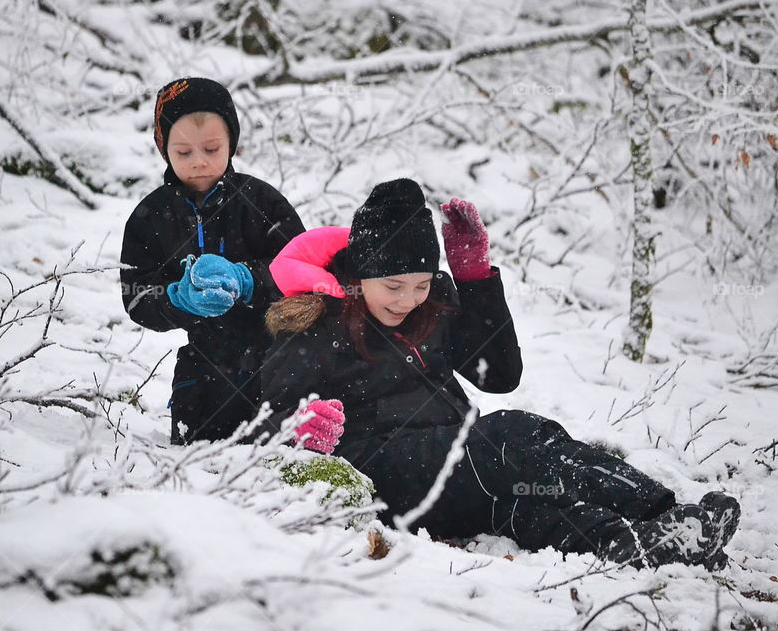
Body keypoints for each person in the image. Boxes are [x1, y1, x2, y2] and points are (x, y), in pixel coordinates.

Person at [260, 178, 740, 569]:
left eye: (422, 284)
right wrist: (298, 426)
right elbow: (262, 421)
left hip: (450, 466)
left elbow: (498, 375)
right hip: (382, 471)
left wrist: (475, 281)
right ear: (359, 275)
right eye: (393, 286)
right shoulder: (317, 325)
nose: (408, 300)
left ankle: (639, 544)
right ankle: (665, 512)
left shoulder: (430, 310)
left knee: (521, 505)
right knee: (513, 435)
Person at [121, 77, 305, 444]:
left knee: (278, 462)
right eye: (184, 153)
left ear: (231, 143)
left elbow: (302, 268)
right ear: (164, 150)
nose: (200, 163)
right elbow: (136, 296)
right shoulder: (152, 216)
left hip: (274, 363)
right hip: (201, 374)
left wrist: (249, 279)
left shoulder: (262, 202)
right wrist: (178, 299)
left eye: (211, 148)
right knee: (198, 469)